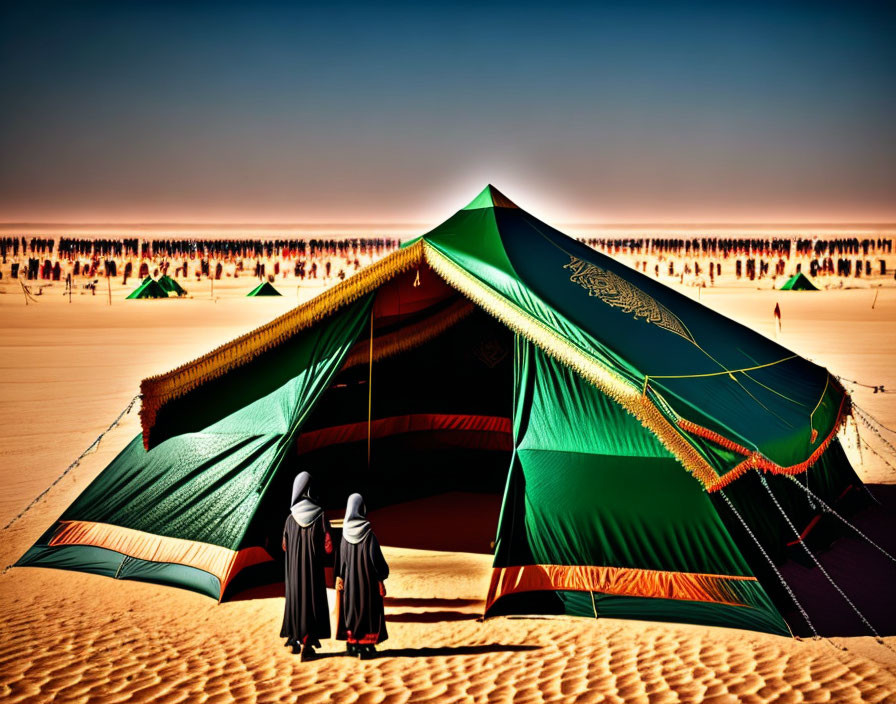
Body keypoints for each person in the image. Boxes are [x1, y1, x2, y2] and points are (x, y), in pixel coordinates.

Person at [280, 472, 333, 661]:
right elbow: (329, 548)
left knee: (295, 601)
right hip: (313, 572)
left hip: (294, 574)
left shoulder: (289, 519)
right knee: (311, 601)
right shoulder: (320, 516)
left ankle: (294, 640)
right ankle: (308, 645)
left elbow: (284, 547)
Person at [335, 493, 389, 659]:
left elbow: (342, 562)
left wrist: (341, 577)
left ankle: (353, 644)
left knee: (352, 611)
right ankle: (366, 647)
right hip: (368, 584)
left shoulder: (344, 536)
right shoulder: (369, 535)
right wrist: (381, 576)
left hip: (350, 585)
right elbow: (377, 561)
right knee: (368, 612)